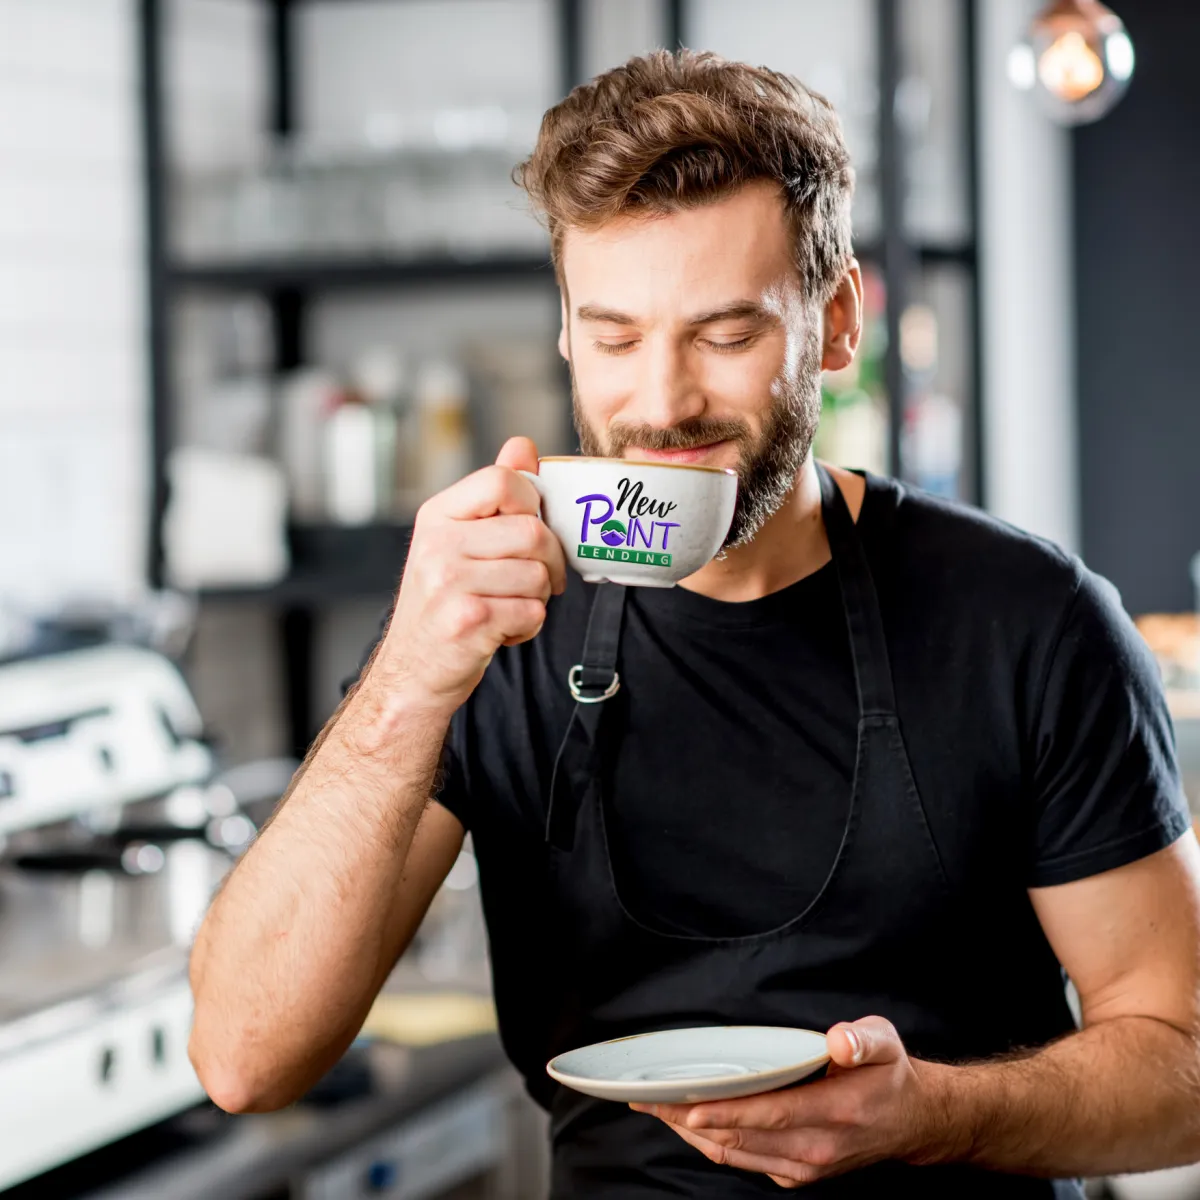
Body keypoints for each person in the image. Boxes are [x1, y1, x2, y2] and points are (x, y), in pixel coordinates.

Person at [188, 51, 1200, 1197]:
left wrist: (936, 1112)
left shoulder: (1030, 620)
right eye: (616, 338)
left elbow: (1184, 1065)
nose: (661, 404)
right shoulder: (481, 631)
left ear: (834, 325)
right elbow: (243, 1057)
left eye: (724, 336)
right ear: (568, 334)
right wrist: (409, 679)